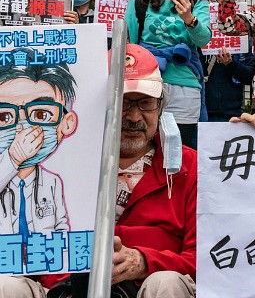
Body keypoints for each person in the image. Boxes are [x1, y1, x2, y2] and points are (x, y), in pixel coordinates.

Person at [0, 44, 197, 297]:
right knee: (6, 286)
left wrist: (144, 262)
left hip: (146, 288)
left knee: (166, 283)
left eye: (146, 104)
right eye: (123, 103)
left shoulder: (189, 167)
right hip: (65, 288)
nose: (135, 117)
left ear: (160, 107)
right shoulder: (56, 164)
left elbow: (205, 259)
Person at [124, 0, 212, 148]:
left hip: (184, 85)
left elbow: (203, 40)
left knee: (180, 148)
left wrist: (189, 18)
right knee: (145, 145)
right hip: (147, 82)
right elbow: (132, 45)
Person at [0, 49, 78, 239]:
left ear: (67, 123)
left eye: (41, 114)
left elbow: (62, 226)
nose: (22, 129)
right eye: (4, 116)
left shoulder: (52, 182)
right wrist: (13, 159)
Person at [204, 46, 255, 122]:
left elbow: (249, 77)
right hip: (202, 112)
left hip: (234, 112)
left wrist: (230, 64)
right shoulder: (198, 39)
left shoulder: (243, 40)